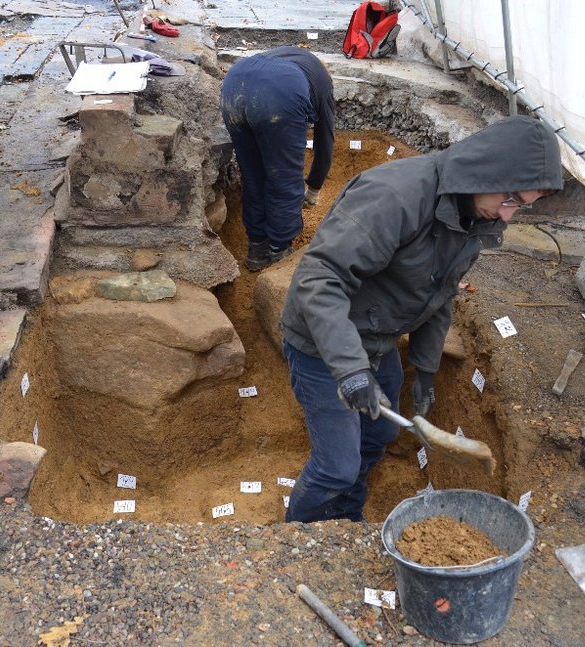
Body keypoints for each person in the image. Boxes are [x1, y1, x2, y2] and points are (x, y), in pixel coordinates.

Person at [279, 116, 563, 522]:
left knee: (379, 434)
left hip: (377, 337)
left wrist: (426, 370)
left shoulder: (473, 216)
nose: (508, 217)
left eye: (521, 207)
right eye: (511, 200)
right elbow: (318, 279)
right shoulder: (394, 197)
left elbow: (440, 292)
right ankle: (301, 541)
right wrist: (351, 370)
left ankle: (344, 517)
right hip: (323, 341)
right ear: (487, 174)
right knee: (335, 466)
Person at [220, 46, 334, 271]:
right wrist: (314, 188)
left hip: (234, 84)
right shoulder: (323, 82)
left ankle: (257, 249)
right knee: (284, 178)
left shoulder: (292, 56)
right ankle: (279, 252)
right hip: (279, 93)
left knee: (252, 176)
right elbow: (325, 140)